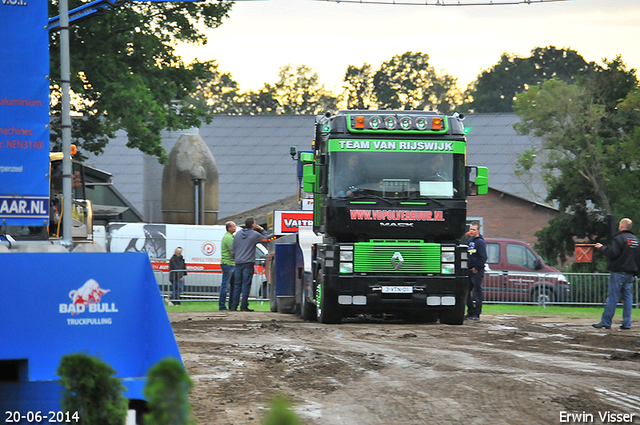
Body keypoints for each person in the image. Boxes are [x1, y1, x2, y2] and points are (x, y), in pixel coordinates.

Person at [592, 218, 640, 330]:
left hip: (618, 272)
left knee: (613, 297)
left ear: (622, 226)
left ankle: (606, 322)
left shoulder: (619, 238)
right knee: (627, 297)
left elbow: (613, 253)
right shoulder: (636, 241)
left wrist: (602, 248)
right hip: (630, 273)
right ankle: (627, 323)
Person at [230, 217, 268, 312]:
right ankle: (244, 306)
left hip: (238, 262)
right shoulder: (254, 235)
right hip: (248, 262)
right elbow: (266, 239)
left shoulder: (238, 234)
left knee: (237, 285)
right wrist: (262, 229)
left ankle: (234, 306)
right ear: (253, 225)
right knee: (246, 284)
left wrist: (236, 258)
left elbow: (232, 250)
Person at [466, 221, 487, 321]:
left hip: (477, 272)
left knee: (477, 293)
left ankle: (477, 314)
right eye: (470, 229)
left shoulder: (480, 242)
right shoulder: (469, 242)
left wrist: (477, 268)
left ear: (478, 230)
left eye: (474, 229)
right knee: (466, 292)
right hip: (468, 271)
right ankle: (470, 312)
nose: (471, 231)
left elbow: (483, 257)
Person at [219, 221, 236, 311]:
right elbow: (232, 252)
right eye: (234, 226)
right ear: (229, 228)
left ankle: (231, 306)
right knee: (225, 286)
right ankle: (222, 305)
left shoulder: (230, 237)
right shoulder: (229, 238)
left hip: (230, 264)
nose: (235, 228)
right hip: (228, 264)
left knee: (232, 286)